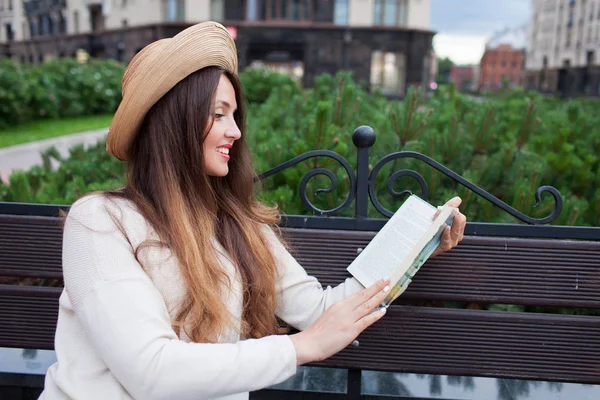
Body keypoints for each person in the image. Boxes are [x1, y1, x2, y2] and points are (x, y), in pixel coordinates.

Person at [39, 22, 467, 400]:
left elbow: (322, 312)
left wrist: (419, 241)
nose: (236, 130)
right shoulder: (99, 221)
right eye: (219, 114)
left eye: (235, 114)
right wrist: (301, 348)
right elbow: (150, 370)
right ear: (174, 122)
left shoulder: (236, 226)